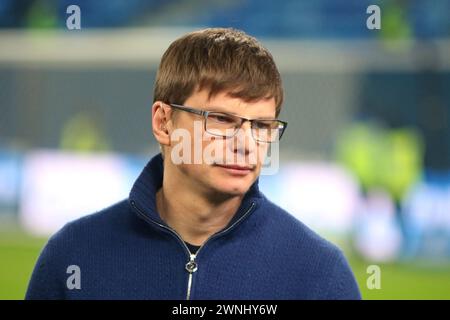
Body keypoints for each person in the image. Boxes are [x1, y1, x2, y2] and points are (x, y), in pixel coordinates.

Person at [26, 28, 361, 300]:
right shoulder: (73, 255)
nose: (245, 144)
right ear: (164, 122)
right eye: (220, 119)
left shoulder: (320, 273)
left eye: (260, 126)